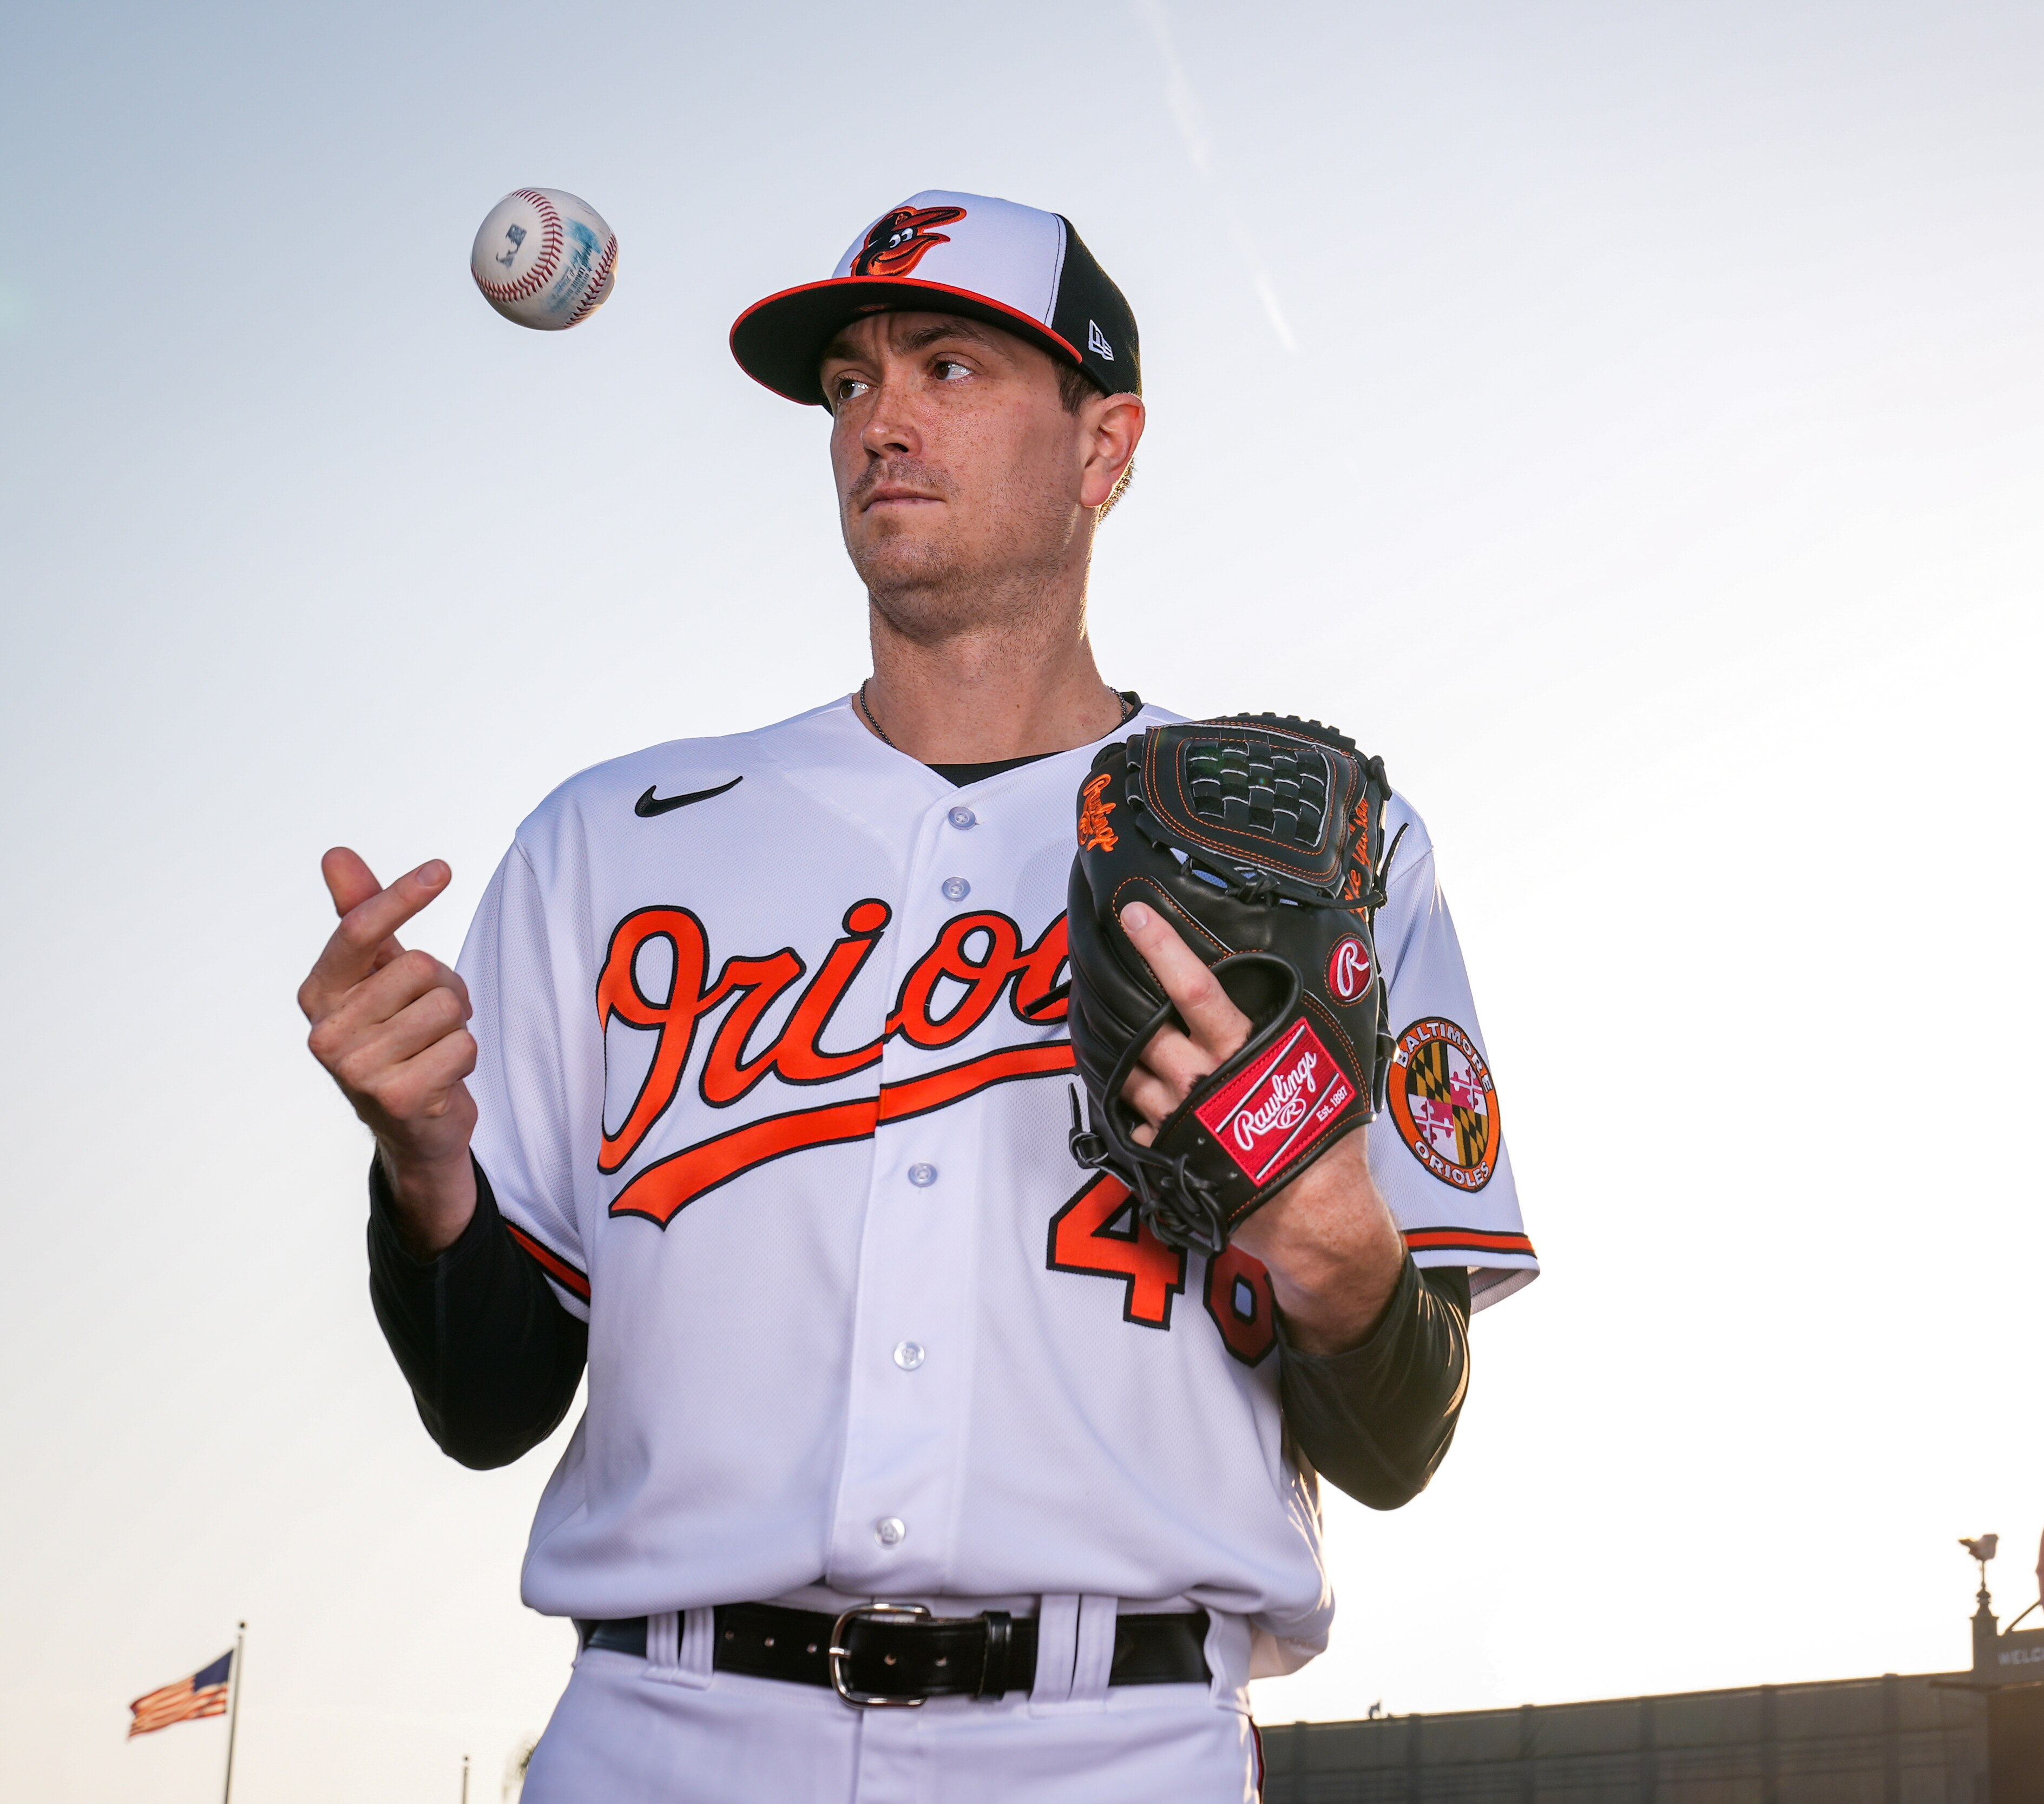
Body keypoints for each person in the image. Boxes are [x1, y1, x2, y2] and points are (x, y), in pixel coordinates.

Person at [294, 190, 1535, 1802]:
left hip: (1117, 1743)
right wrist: (427, 1168)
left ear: (1107, 448)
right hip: (667, 1740)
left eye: (949, 368)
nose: (881, 420)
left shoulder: (1310, 853)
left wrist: (1338, 1251)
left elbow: (1397, 1446)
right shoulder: (611, 842)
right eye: (850, 384)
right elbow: (490, 1406)